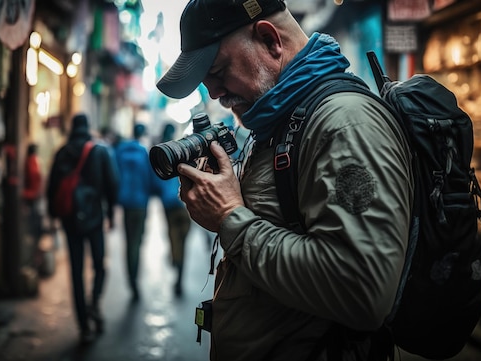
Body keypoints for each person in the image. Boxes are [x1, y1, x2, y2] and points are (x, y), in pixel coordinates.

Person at [155, 1, 414, 360]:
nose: (214, 93)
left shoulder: (345, 124)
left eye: (218, 70)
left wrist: (231, 218)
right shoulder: (280, 120)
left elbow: (362, 291)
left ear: (269, 40)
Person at [46, 113, 119, 344]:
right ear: (88, 127)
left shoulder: (62, 152)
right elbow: (113, 184)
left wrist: (54, 216)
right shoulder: (100, 151)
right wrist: (110, 214)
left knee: (76, 271)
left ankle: (83, 326)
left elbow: (51, 187)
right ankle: (95, 302)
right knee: (99, 265)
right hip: (94, 217)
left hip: (70, 219)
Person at [113, 123, 154, 301]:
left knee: (129, 241)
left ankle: (131, 280)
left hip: (125, 203)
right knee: (136, 242)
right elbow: (149, 178)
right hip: (140, 202)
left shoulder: (120, 151)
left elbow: (114, 175)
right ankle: (134, 280)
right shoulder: (143, 152)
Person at [151, 123, 192, 297]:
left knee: (174, 238)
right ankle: (179, 275)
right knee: (182, 241)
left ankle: (175, 260)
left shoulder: (158, 154)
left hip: (168, 206)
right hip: (182, 205)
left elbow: (154, 182)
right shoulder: (180, 150)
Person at [22, 143, 43, 266]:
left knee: (34, 230)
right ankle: (34, 260)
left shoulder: (31, 161)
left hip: (32, 198)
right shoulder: (33, 161)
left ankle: (34, 260)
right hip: (32, 198)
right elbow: (36, 177)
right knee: (34, 231)